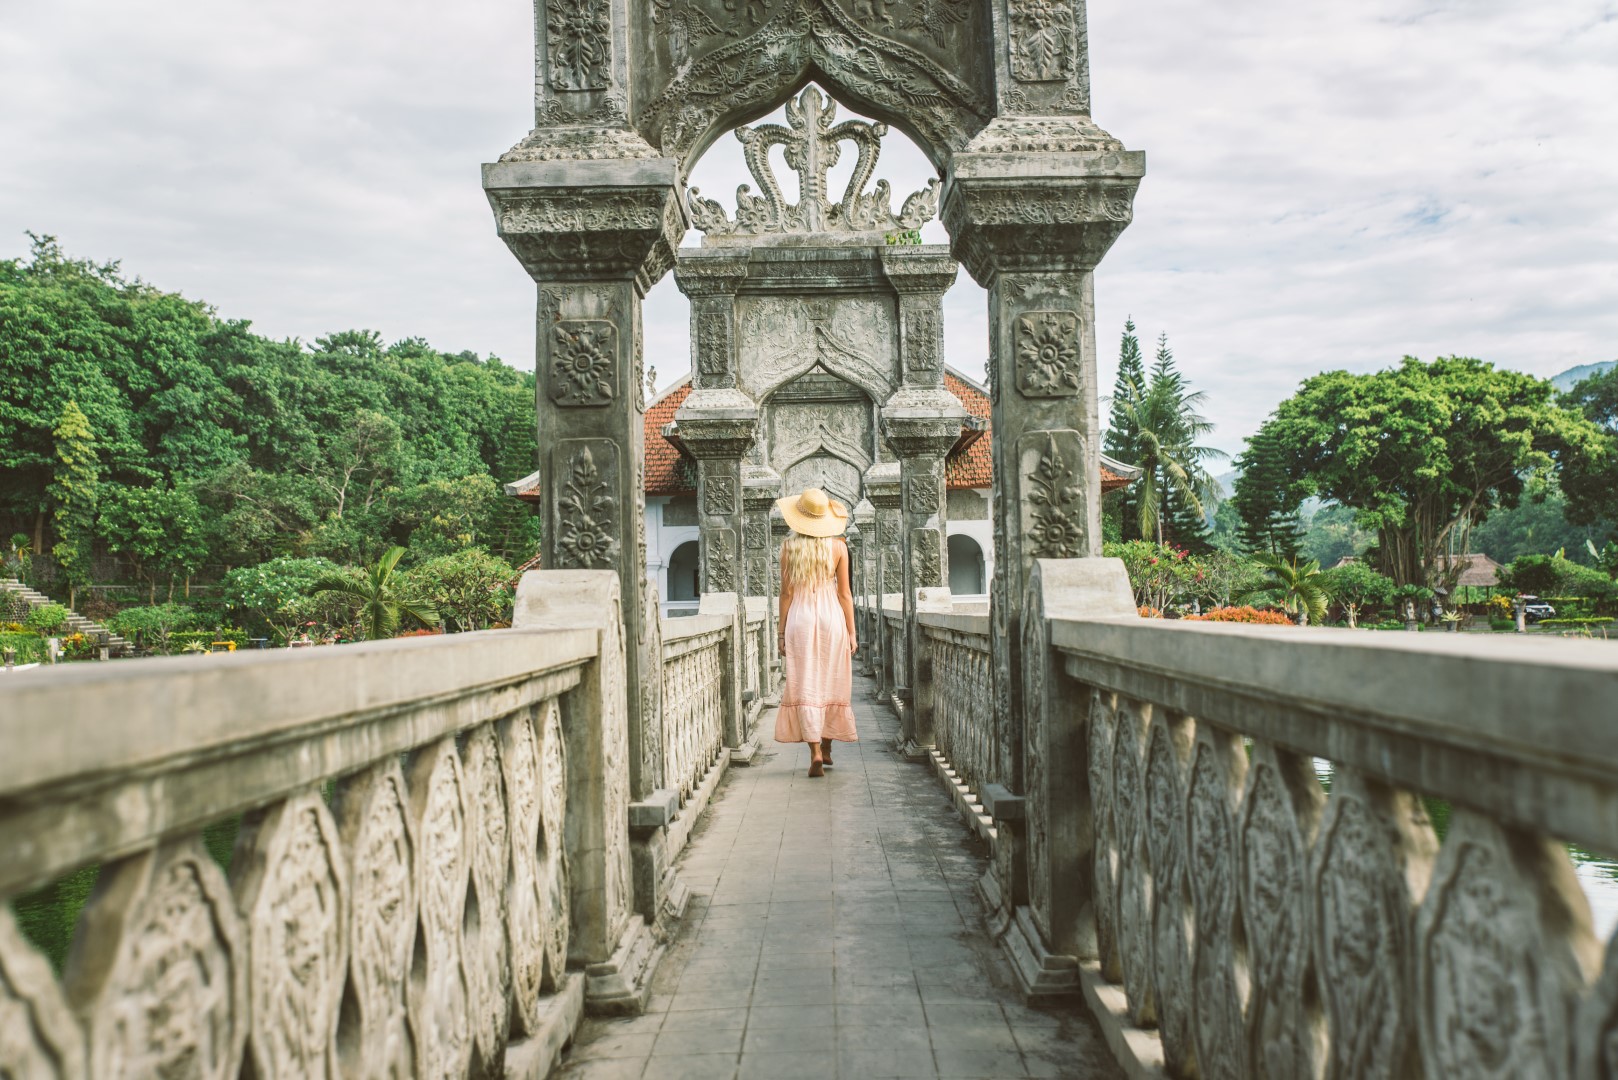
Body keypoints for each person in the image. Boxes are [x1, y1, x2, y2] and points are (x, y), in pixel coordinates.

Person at [774, 487, 858, 777]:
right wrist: (852, 632)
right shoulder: (838, 547)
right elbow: (845, 594)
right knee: (832, 679)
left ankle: (815, 752)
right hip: (831, 619)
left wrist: (781, 633)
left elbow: (785, 595)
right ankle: (828, 745)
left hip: (800, 617)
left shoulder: (788, 548)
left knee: (805, 681)